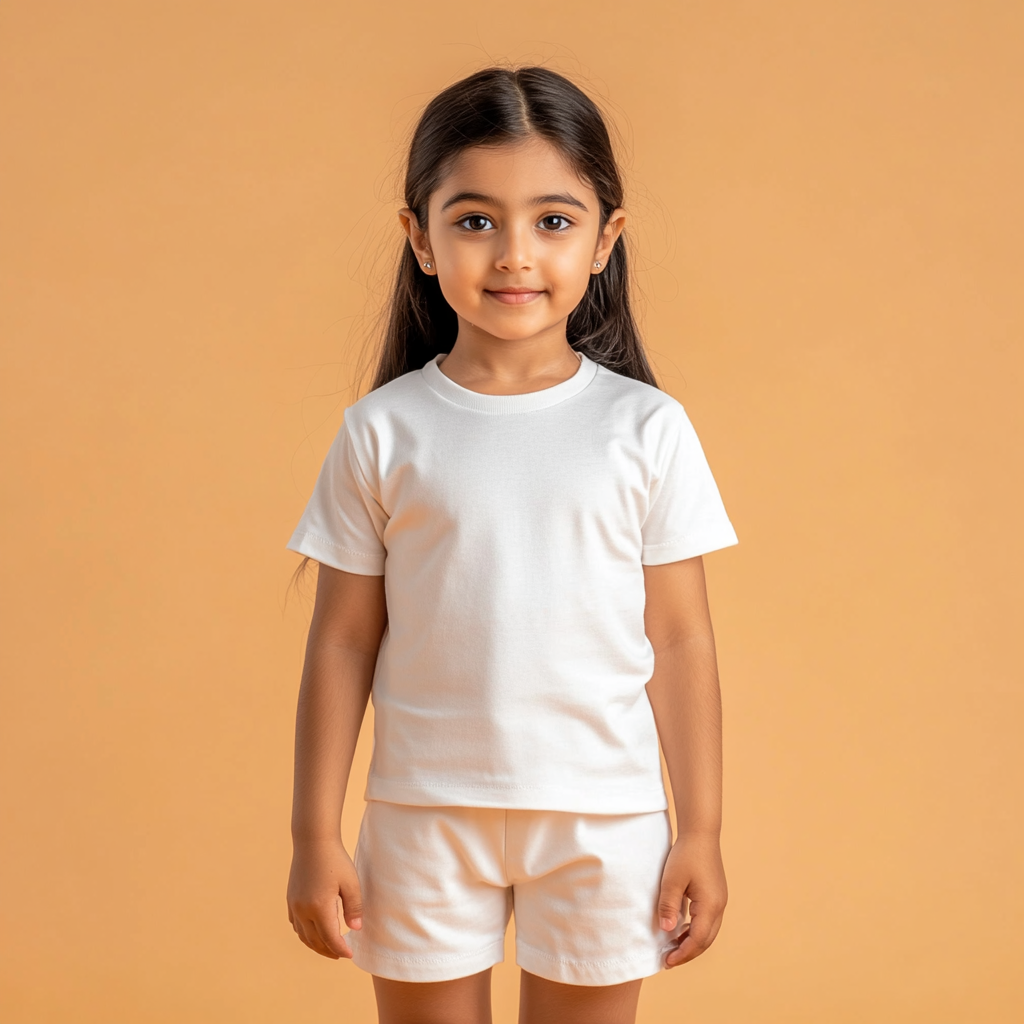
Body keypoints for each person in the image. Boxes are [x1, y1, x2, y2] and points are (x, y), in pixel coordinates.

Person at [285, 66, 738, 1024]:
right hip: (421, 813)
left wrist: (700, 828)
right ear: (420, 236)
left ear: (606, 239)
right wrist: (312, 832)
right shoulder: (382, 431)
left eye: (554, 221)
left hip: (604, 819)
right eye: (476, 220)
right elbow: (341, 640)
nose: (514, 256)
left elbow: (682, 639)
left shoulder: (646, 430)